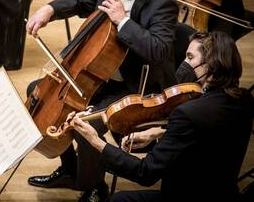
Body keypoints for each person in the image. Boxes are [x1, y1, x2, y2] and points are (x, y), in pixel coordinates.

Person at [25, 0, 178, 202]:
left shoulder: (161, 0)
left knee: (86, 123)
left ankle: (94, 186)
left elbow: (159, 50)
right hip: (99, 76)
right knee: (38, 91)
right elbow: (81, 0)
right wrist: (49, 9)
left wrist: (123, 21)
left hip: (135, 84)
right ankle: (70, 170)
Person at [72, 31, 254, 202]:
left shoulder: (188, 113)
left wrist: (95, 140)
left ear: (211, 64)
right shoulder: (245, 100)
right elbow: (206, 131)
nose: (185, 63)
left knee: (119, 199)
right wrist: (156, 132)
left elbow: (145, 173)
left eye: (190, 57)